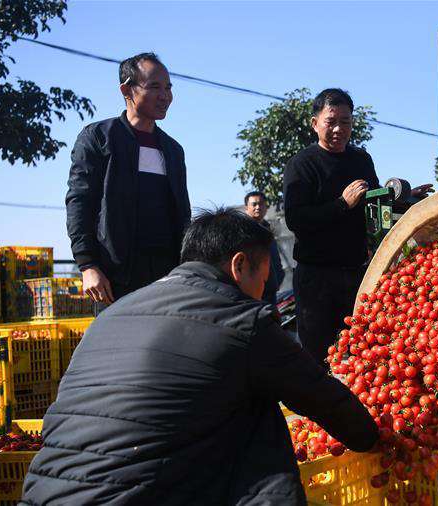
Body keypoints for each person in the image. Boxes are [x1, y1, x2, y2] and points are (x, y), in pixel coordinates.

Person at [21, 208, 378, 505]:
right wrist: (375, 439)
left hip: (42, 495)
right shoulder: (242, 320)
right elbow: (322, 398)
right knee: (258, 410)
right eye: (264, 280)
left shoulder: (113, 314)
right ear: (239, 266)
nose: (262, 294)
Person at [283, 89, 431, 366]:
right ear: (315, 123)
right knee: (321, 357)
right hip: (317, 279)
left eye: (346, 121)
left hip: (358, 274)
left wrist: (407, 200)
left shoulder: (360, 160)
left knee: (362, 353)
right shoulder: (301, 165)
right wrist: (341, 204)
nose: (339, 128)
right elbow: (296, 220)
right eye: (331, 121)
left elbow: (374, 204)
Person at [66, 52, 190, 305]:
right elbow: (80, 201)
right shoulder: (99, 138)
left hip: (168, 277)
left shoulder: (173, 150)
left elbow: (183, 213)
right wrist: (87, 265)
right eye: (154, 86)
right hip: (115, 278)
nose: (165, 95)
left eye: (168, 88)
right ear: (127, 90)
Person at [244, 190, 285, 308]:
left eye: (261, 204)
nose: (258, 207)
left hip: (270, 289)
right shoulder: (243, 231)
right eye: (254, 204)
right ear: (247, 208)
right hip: (253, 292)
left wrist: (279, 275)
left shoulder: (267, 229)